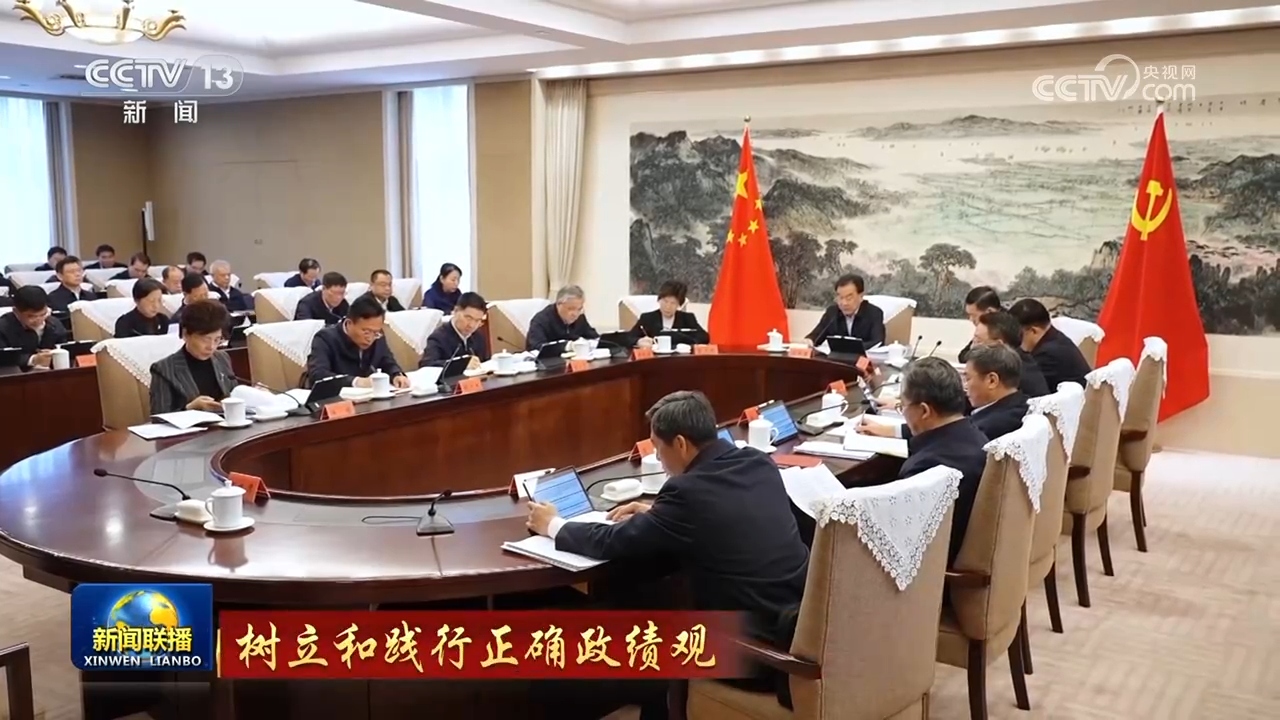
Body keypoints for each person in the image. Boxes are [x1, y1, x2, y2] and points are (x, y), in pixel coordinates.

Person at [526, 390, 808, 715]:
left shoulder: (686, 492)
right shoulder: (757, 463)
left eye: (659, 449)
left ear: (681, 444)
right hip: (796, 628)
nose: (659, 460)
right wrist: (660, 515)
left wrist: (552, 524)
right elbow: (725, 512)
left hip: (756, 653)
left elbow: (613, 541)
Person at [894, 357, 990, 566]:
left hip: (934, 571)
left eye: (902, 406)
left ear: (924, 411)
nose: (903, 414)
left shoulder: (928, 467)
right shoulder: (977, 436)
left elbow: (904, 542)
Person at [148, 300, 238, 414]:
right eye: (205, 339)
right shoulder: (164, 369)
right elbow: (158, 417)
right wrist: (189, 408)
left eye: (217, 339)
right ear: (186, 334)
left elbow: (234, 394)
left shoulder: (222, 358)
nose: (211, 347)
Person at [305, 295, 409, 388]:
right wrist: (356, 382)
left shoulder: (377, 335)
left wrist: (396, 375)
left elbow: (387, 361)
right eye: (366, 332)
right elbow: (318, 375)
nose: (370, 338)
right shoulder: (325, 338)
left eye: (376, 332)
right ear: (349, 323)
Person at [1008, 298, 1092, 389]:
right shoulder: (1055, 337)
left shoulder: (1047, 354)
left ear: (1033, 331)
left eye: (1017, 334)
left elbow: (1022, 386)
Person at [960, 344, 1031, 440]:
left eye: (968, 378)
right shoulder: (1028, 406)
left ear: (992, 381)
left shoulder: (983, 430)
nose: (965, 386)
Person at [972, 311, 1049, 397]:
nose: (973, 346)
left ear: (998, 344)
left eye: (978, 341)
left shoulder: (1013, 373)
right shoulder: (1012, 360)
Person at [804, 273, 885, 348]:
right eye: (840, 298)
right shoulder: (832, 312)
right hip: (836, 358)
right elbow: (816, 336)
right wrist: (809, 341)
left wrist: (848, 348)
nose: (844, 303)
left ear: (861, 296)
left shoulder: (874, 313)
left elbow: (877, 342)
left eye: (849, 298)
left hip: (863, 357)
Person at [0, 286, 67, 371]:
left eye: (43, 314)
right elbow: (3, 358)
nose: (38, 320)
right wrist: (33, 359)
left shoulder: (54, 324)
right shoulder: (3, 328)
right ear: (16, 311)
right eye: (31, 316)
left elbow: (64, 345)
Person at [419, 291, 488, 369]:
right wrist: (461, 364)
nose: (472, 325)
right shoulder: (439, 337)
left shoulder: (478, 336)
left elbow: (483, 363)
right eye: (468, 318)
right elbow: (427, 364)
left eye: (477, 320)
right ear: (456, 311)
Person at [630, 280, 708, 346]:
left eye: (673, 303)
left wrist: (685, 340)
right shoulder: (647, 318)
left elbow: (704, 337)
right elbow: (628, 337)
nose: (668, 306)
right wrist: (638, 341)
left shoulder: (687, 318)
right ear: (659, 300)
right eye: (665, 301)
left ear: (679, 305)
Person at [525, 285, 599, 350]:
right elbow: (537, 347)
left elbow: (594, 338)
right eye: (571, 308)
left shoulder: (580, 317)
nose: (575, 314)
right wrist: (567, 347)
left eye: (579, 309)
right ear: (558, 304)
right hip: (550, 360)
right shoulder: (541, 320)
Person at [957, 286, 1002, 363]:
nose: (971, 319)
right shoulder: (984, 328)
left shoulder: (1007, 328)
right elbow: (963, 357)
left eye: (974, 315)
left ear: (989, 311)